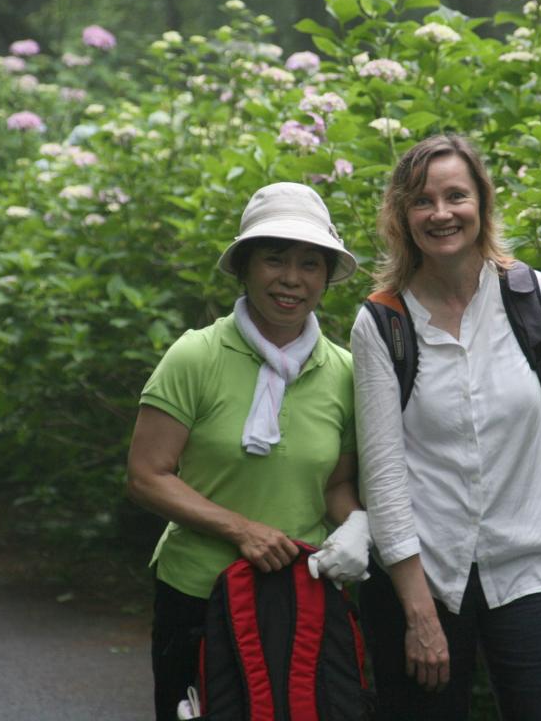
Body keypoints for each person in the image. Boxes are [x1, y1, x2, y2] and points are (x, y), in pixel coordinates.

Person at [352, 134, 541, 720]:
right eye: (422, 201)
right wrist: (417, 613)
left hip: (534, 569)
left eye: (456, 195)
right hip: (424, 579)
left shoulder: (537, 299)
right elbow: (382, 477)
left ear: (481, 201)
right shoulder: (383, 322)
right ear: (402, 216)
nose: (441, 213)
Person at [126, 182, 373, 721]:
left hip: (301, 599)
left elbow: (335, 486)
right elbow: (148, 475)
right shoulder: (196, 355)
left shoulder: (345, 372)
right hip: (196, 593)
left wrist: (358, 527)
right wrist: (242, 529)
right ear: (244, 267)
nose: (292, 278)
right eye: (275, 259)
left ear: (327, 278)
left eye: (311, 264)